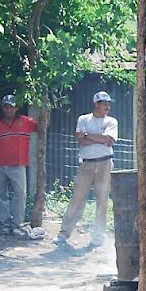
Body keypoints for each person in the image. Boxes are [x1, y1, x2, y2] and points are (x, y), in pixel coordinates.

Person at [54, 91, 118, 248]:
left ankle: (98, 235)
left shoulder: (112, 121)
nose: (107, 106)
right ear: (96, 104)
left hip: (105, 163)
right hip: (86, 164)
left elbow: (109, 140)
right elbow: (81, 140)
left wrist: (88, 135)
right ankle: (63, 234)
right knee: (77, 198)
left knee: (102, 200)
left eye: (108, 103)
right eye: (104, 103)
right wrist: (99, 138)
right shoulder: (83, 118)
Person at [0, 95, 38, 236]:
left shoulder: (26, 122)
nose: (8, 109)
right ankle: (4, 224)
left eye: (11, 106)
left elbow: (42, 126)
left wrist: (47, 108)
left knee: (20, 194)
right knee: (0, 195)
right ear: (2, 107)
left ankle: (16, 225)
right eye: (6, 106)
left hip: (18, 164)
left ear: (16, 108)